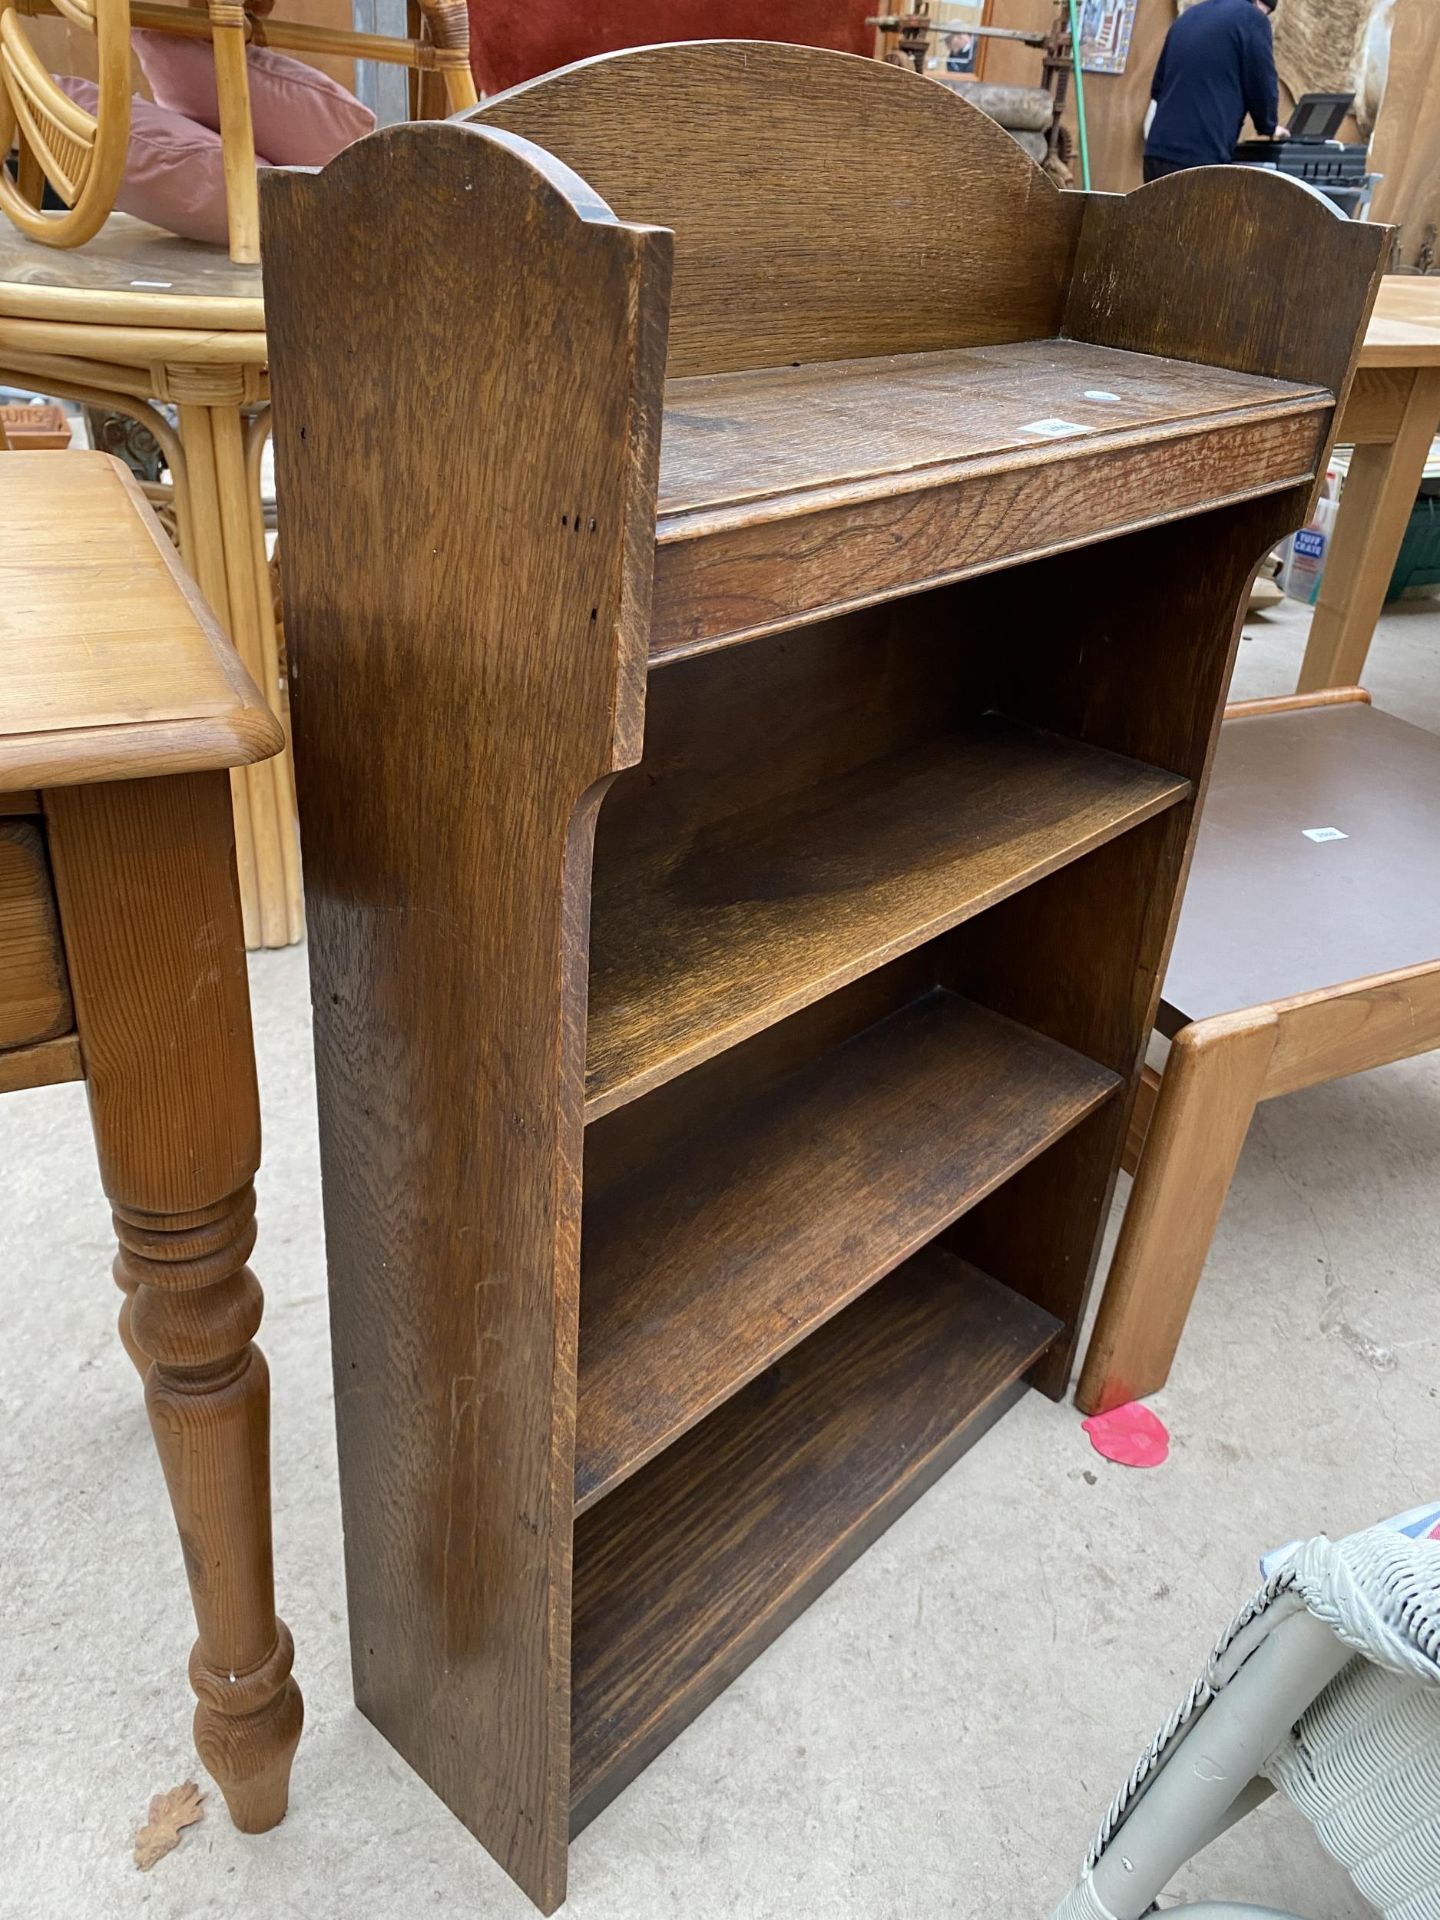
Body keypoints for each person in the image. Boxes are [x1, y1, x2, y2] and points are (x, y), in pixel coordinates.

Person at [1143, 0, 1289, 182]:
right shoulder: (1253, 18)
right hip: (1200, 158)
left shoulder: (1189, 16)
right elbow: (1261, 80)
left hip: (1156, 152)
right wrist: (1268, 125)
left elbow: (1158, 87)